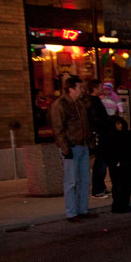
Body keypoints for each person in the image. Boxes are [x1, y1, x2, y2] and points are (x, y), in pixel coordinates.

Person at [49, 75, 94, 222]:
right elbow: (58, 129)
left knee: (85, 180)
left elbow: (86, 124)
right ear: (71, 89)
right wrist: (65, 149)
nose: (82, 90)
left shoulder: (80, 103)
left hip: (83, 145)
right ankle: (71, 212)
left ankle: (82, 209)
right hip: (71, 147)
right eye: (79, 87)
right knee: (71, 181)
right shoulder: (60, 105)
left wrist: (90, 143)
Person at [84, 79, 111, 199]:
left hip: (101, 135)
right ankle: (97, 189)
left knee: (102, 163)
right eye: (100, 86)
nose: (102, 88)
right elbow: (96, 120)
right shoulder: (92, 102)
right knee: (100, 163)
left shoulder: (95, 101)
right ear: (94, 88)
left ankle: (101, 187)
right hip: (99, 136)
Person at [105, 115, 131, 213]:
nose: (120, 126)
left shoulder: (125, 135)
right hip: (117, 165)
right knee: (119, 185)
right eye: (118, 124)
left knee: (126, 184)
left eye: (121, 123)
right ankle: (118, 205)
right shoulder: (111, 137)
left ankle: (124, 204)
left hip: (126, 163)